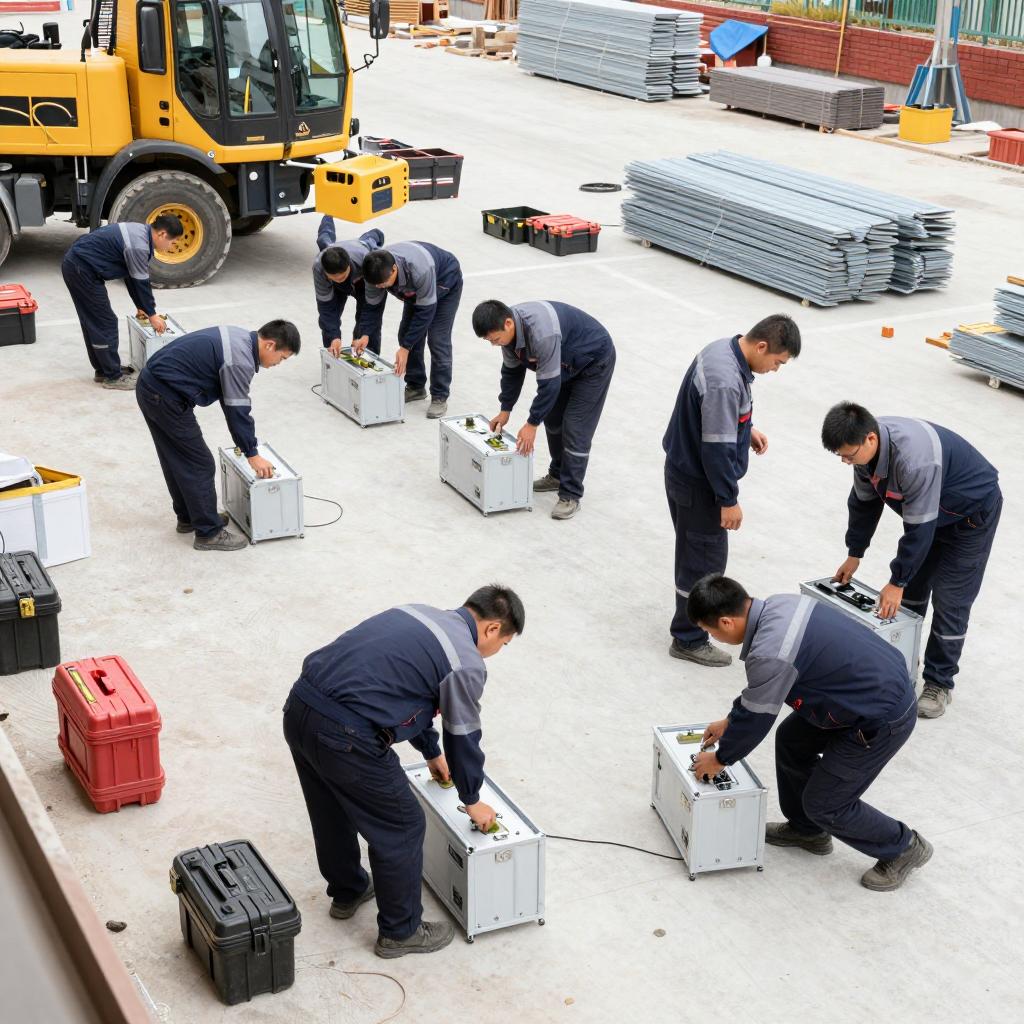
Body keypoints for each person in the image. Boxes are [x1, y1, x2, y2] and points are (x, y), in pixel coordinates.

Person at [282, 585, 525, 958]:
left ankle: (348, 891)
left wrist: (430, 752)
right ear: (493, 628)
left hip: (300, 708)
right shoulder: (466, 661)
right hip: (344, 734)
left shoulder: (417, 613)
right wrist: (472, 798)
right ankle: (401, 930)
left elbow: (401, 689)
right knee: (403, 824)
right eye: (504, 644)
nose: (497, 652)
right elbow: (463, 733)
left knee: (331, 806)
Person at [687, 574, 931, 892]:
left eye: (709, 631)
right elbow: (760, 696)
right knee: (792, 740)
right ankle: (807, 831)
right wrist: (731, 721)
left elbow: (759, 718)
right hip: (863, 692)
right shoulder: (780, 604)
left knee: (826, 804)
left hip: (880, 716)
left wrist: (720, 759)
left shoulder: (769, 652)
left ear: (726, 622)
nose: (712, 637)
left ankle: (903, 846)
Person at [821, 402, 1002, 719]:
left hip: (971, 516)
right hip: (933, 515)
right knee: (911, 596)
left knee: (950, 600)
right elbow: (863, 506)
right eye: (841, 456)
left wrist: (897, 581)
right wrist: (855, 554)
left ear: (870, 440)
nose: (845, 461)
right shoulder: (864, 458)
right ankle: (901, 667)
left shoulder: (915, 460)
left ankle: (938, 683)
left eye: (848, 454)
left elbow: (918, 530)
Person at [663, 315, 801, 668]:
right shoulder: (725, 379)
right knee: (703, 564)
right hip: (702, 484)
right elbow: (715, 448)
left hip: (686, 472)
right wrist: (728, 499)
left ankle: (689, 627)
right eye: (777, 362)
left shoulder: (724, 350)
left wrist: (747, 429)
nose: (775, 369)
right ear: (762, 346)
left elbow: (716, 417)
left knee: (694, 554)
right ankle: (689, 638)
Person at [136, 320, 299, 551]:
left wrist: (246, 444)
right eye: (282, 358)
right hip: (164, 396)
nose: (278, 364)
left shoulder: (240, 338)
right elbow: (237, 409)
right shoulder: (240, 360)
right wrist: (252, 454)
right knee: (199, 463)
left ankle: (190, 517)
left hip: (152, 386)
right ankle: (208, 532)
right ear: (270, 345)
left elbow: (229, 399)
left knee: (176, 457)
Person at [472, 299, 616, 521]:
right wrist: (505, 409)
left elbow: (548, 385)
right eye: (490, 342)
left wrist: (531, 424)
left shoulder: (541, 333)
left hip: (593, 363)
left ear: (508, 323)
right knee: (554, 418)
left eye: (496, 339)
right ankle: (557, 475)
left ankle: (571, 494)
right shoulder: (509, 337)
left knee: (575, 428)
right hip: (565, 363)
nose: (495, 345)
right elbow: (511, 372)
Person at [61, 216, 183, 389]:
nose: (172, 247)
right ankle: (112, 376)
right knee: (104, 321)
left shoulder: (141, 233)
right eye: (173, 242)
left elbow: (131, 277)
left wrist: (142, 307)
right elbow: (141, 284)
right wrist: (152, 315)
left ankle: (104, 370)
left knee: (95, 321)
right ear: (162, 234)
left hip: (80, 266)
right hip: (81, 270)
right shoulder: (139, 246)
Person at [357, 243, 463, 419]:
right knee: (405, 332)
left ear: (394, 269)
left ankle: (439, 396)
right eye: (377, 285)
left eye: (384, 283)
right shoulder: (374, 274)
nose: (381, 288)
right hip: (414, 290)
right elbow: (372, 307)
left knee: (437, 339)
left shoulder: (421, 269)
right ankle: (416, 387)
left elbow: (425, 313)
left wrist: (405, 348)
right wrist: (365, 333)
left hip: (444, 282)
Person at [313, 216, 384, 357]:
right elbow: (326, 308)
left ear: (348, 266)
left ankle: (368, 358)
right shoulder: (319, 268)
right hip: (335, 270)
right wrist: (334, 336)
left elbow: (373, 307)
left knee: (369, 327)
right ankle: (332, 356)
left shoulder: (368, 261)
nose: (339, 280)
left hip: (362, 280)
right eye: (335, 278)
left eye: (342, 276)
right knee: (324, 240)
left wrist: (363, 334)